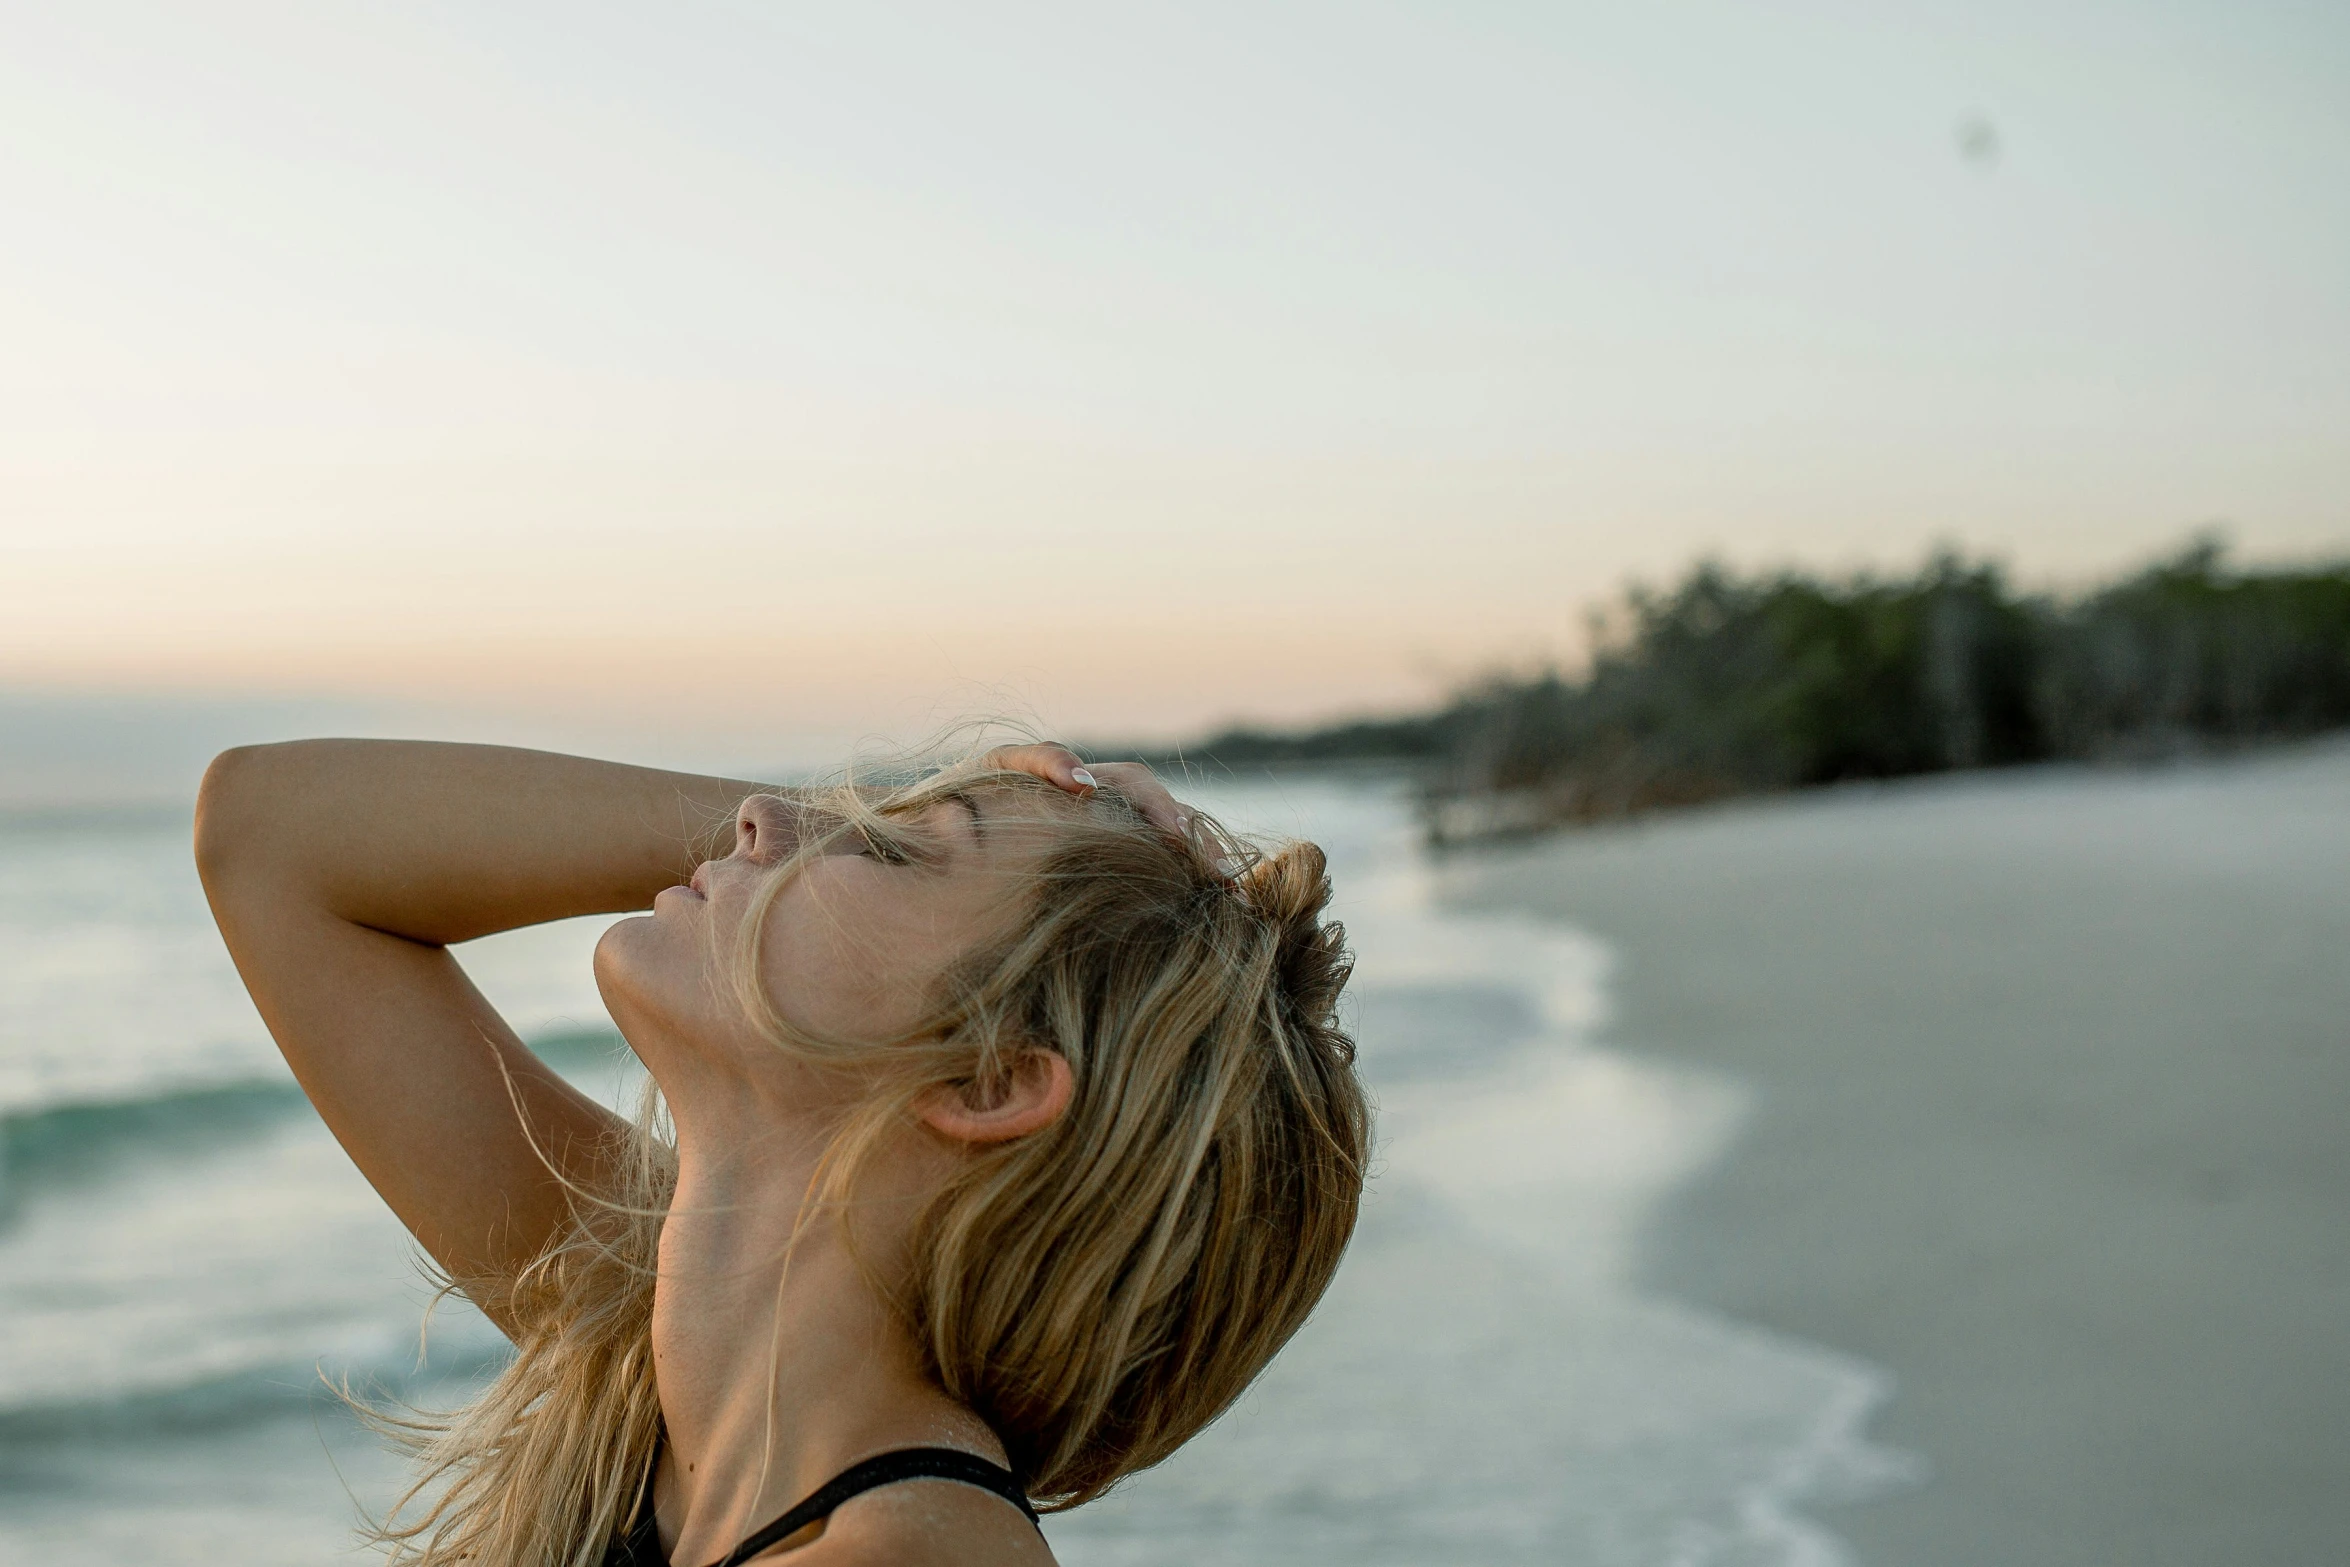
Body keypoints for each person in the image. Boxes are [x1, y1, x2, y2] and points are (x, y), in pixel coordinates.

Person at [193, 738, 1368, 1566]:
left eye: (897, 851)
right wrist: (827, 826)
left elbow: (273, 838)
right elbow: (268, 833)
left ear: (989, 1078)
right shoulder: (649, 1375)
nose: (767, 827)